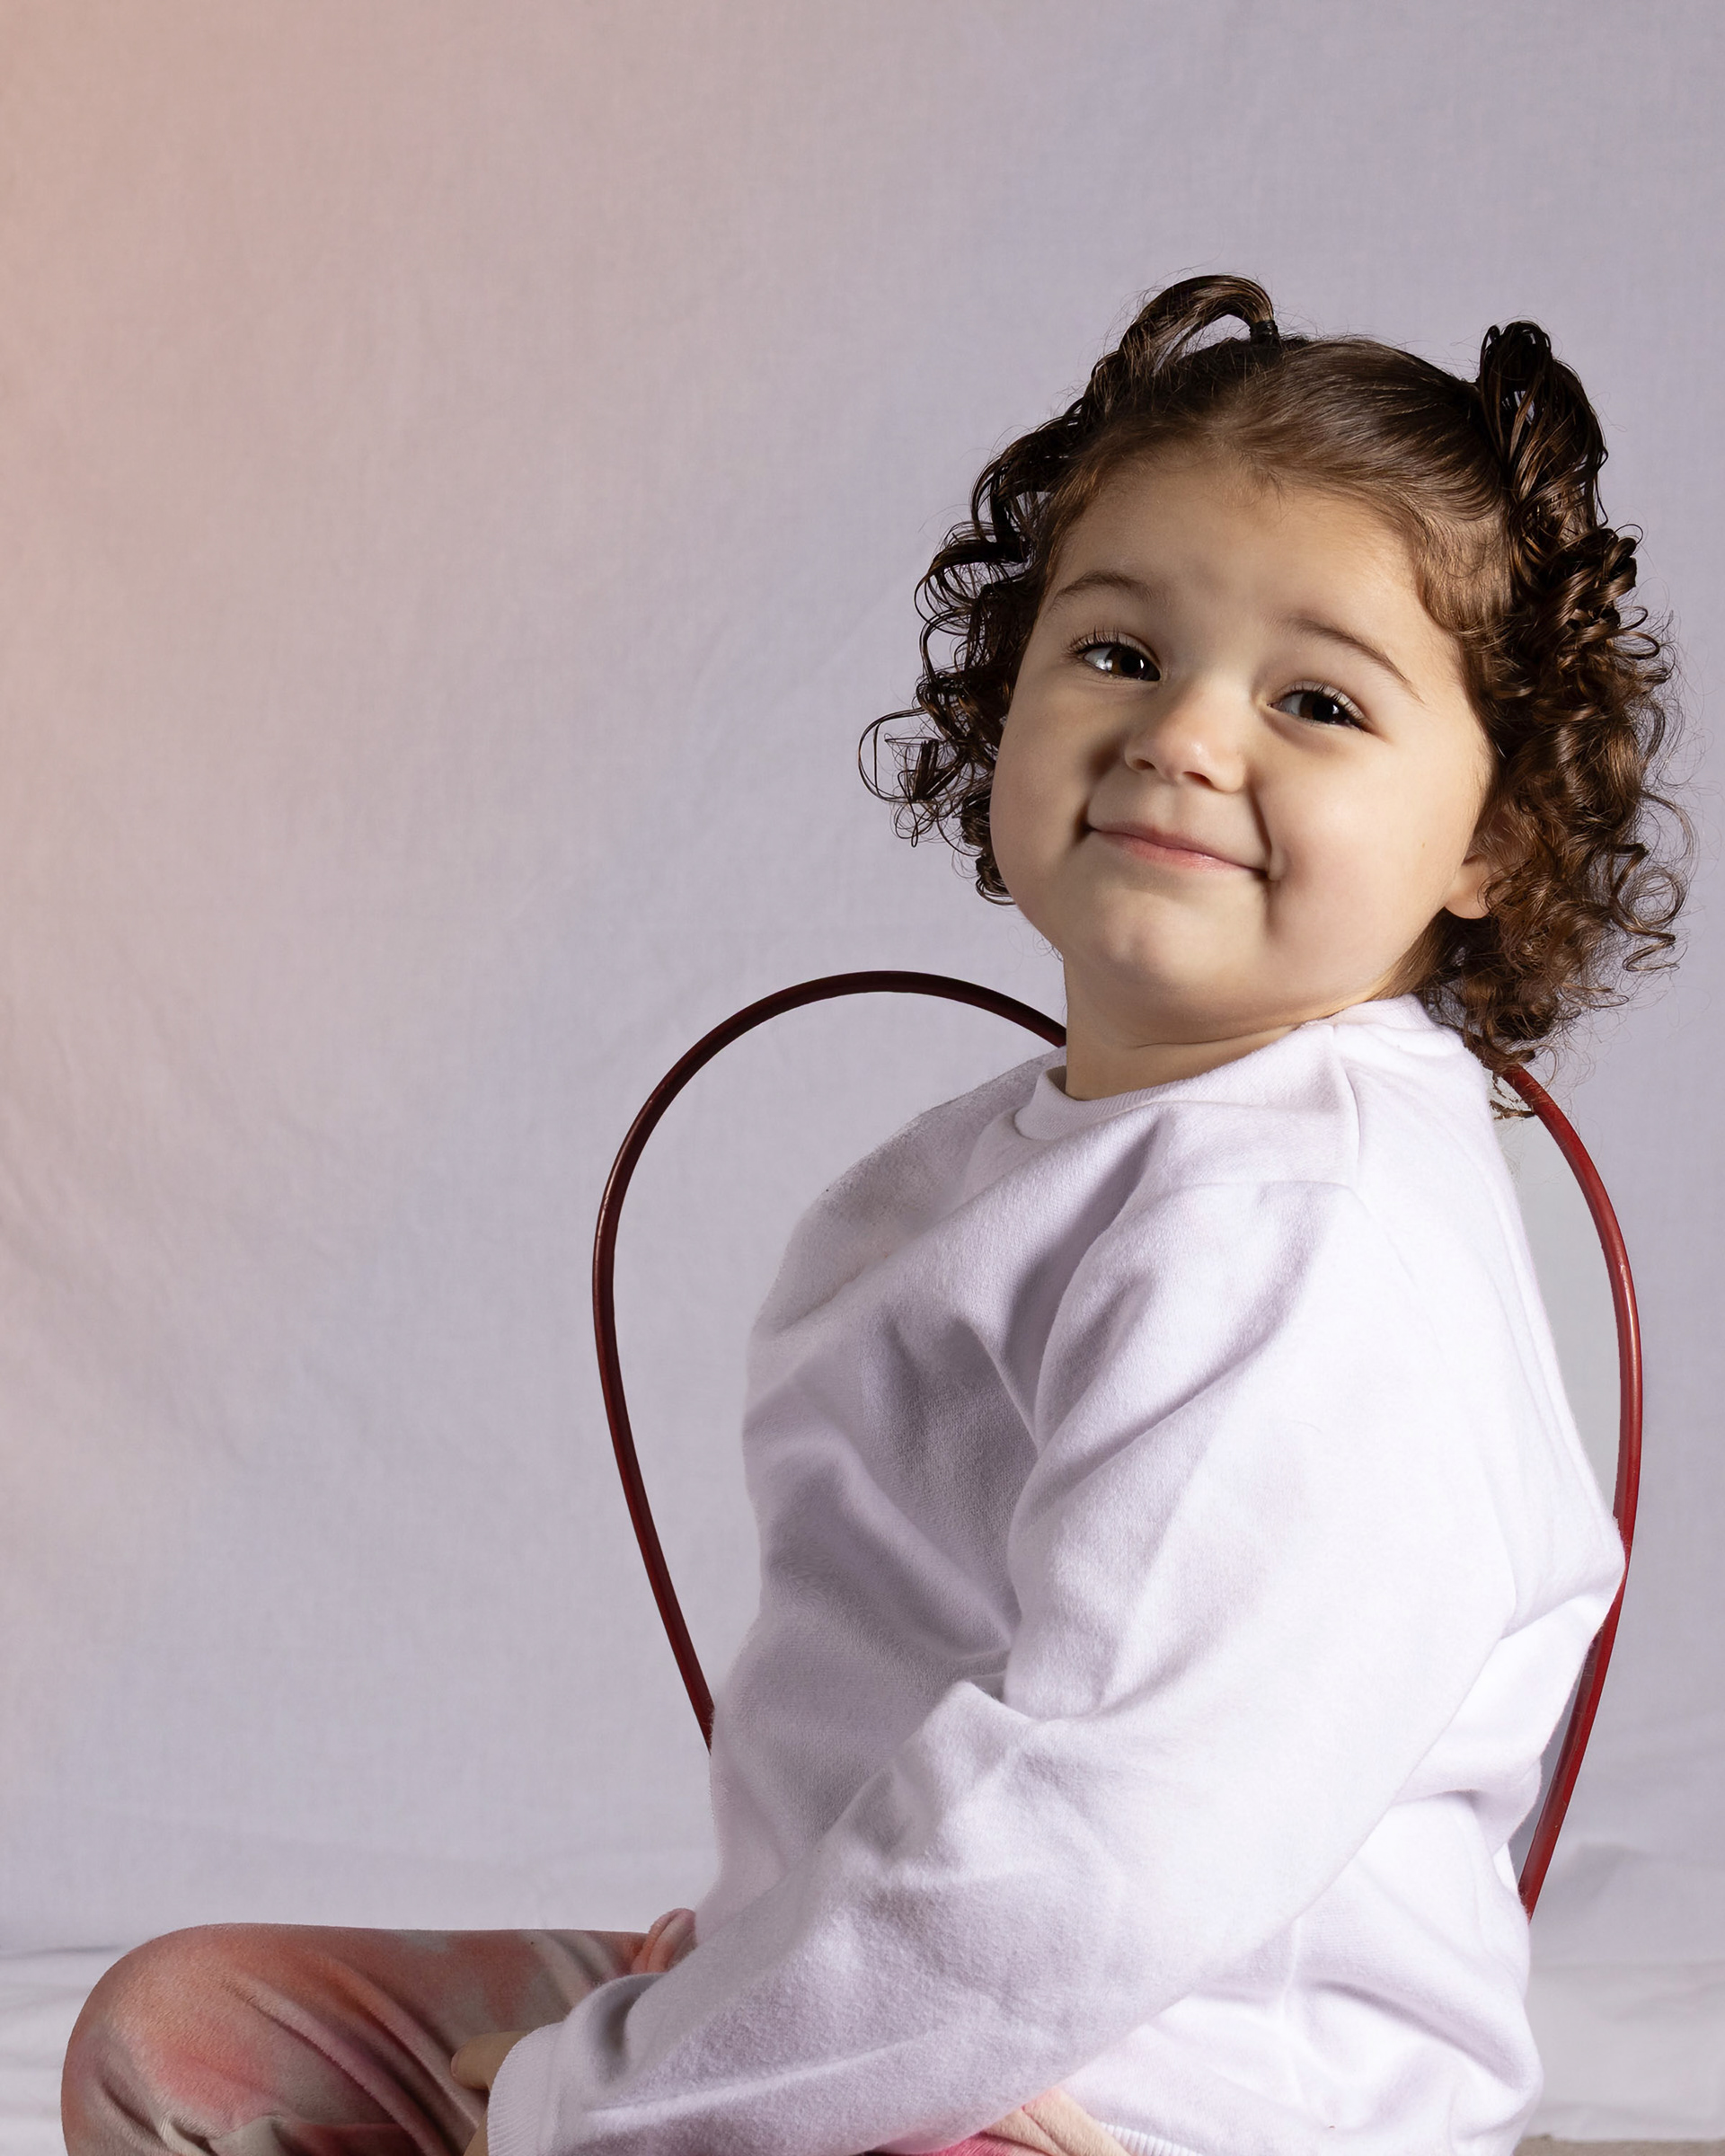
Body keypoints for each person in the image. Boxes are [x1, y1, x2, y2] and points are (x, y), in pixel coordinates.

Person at [62, 275, 1686, 2156]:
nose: (1184, 735)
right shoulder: (1030, 1162)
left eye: (1317, 700)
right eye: (1118, 651)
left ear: (1495, 837)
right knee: (193, 2039)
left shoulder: (1311, 1236)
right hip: (876, 2010)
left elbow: (1087, 1864)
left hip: (1153, 2098)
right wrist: (703, 2019)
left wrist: (608, 2100)